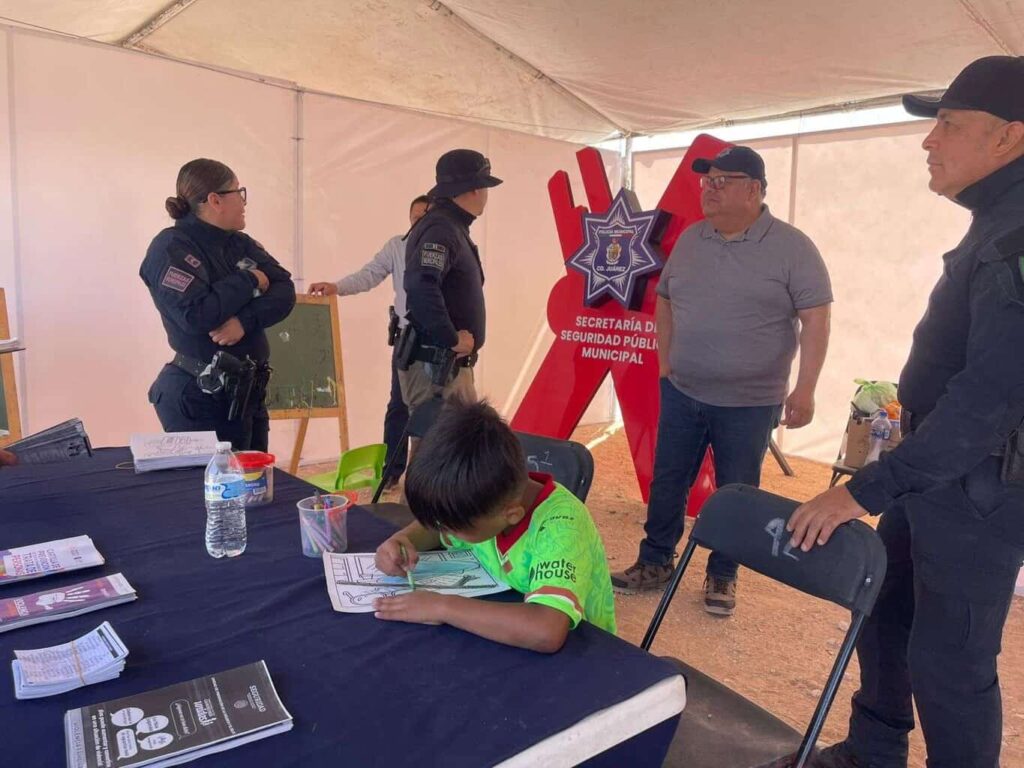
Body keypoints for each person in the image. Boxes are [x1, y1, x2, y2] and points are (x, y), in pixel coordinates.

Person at [761, 56, 1024, 768]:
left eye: (949, 124)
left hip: (982, 492)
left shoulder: (1016, 236)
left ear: (1009, 139)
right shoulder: (997, 219)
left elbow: (986, 405)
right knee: (886, 614)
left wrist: (860, 490)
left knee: (953, 663)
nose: (928, 141)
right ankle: (873, 753)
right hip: (938, 477)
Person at [611, 146, 833, 616]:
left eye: (720, 181)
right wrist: (665, 363)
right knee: (668, 480)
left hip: (750, 402)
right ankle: (655, 562)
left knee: (737, 490)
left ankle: (723, 575)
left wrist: (806, 388)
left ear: (753, 189)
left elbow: (816, 320)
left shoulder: (793, 247)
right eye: (705, 181)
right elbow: (666, 299)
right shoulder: (693, 239)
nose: (708, 190)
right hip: (683, 389)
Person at [372, 399, 616, 652]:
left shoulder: (562, 527)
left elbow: (546, 630)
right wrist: (405, 540)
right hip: (505, 628)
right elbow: (438, 528)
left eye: (452, 526)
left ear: (511, 514)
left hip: (584, 652)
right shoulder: (486, 506)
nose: (443, 531)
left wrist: (441, 606)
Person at [140, 158, 296, 451]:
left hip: (247, 394)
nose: (244, 202)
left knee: (255, 488)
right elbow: (197, 315)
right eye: (239, 192)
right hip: (200, 398)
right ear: (215, 200)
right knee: (215, 492)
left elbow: (285, 292)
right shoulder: (172, 247)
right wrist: (249, 280)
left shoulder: (239, 243)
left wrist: (244, 321)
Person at [308, 194, 430, 487]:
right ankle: (391, 471)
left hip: (441, 342)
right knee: (399, 406)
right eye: (415, 217)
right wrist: (336, 287)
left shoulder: (446, 247)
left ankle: (431, 475)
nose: (419, 222)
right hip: (407, 339)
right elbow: (370, 275)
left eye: (426, 216)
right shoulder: (396, 246)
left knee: (436, 410)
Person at [398, 149, 500, 451]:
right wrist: (450, 336)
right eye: (483, 188)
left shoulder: (449, 226)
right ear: (472, 189)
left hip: (443, 365)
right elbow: (420, 284)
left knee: (447, 451)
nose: (485, 196)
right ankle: (418, 502)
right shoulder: (442, 228)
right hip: (437, 366)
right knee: (435, 453)